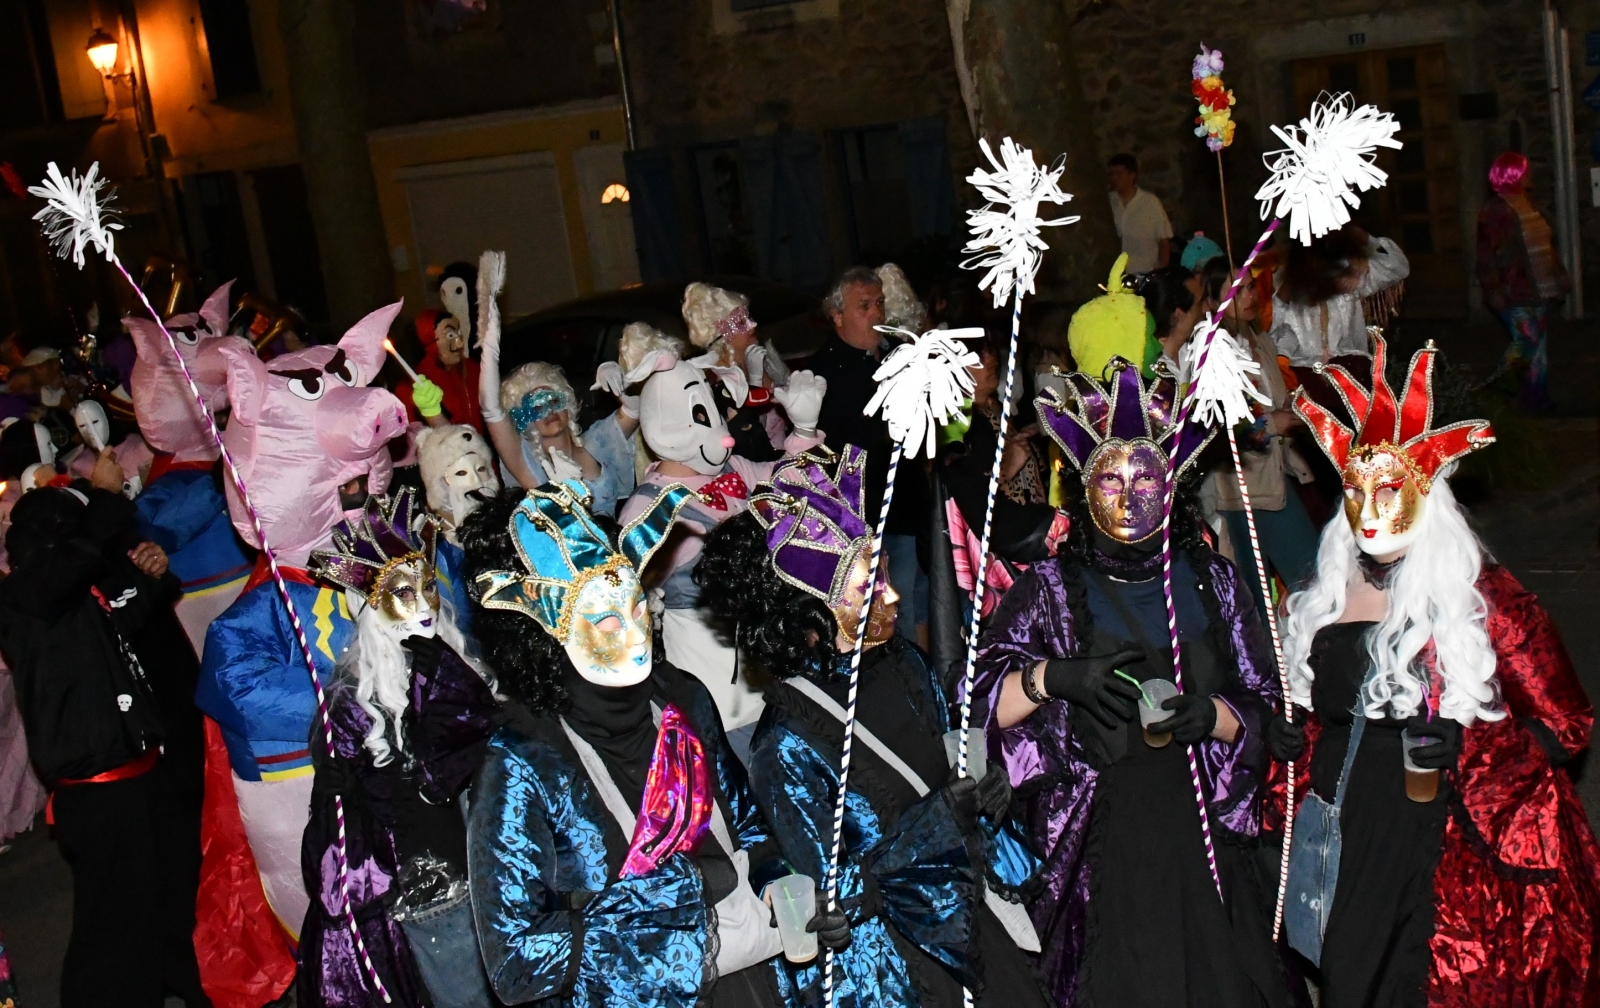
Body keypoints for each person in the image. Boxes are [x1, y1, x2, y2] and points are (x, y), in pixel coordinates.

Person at [1267, 335, 1600, 1006]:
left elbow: (1567, 723)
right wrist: (1285, 740)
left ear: (1425, 492)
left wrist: (1473, 746)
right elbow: (1306, 717)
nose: (1370, 509)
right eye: (1355, 491)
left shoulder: (1484, 598)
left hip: (1441, 837)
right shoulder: (1323, 597)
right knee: (1349, 985)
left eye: (1389, 490)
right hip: (1347, 832)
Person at [975, 360, 1289, 1007]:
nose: (1127, 496)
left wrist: (1216, 716)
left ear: (1171, 485)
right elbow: (973, 704)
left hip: (1203, 839)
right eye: (1109, 479)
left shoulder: (1212, 582)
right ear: (1084, 487)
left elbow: (1267, 702)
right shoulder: (1049, 592)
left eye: (1144, 477)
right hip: (1103, 851)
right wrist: (1054, 678)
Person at [696, 446, 1049, 1008]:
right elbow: (832, 895)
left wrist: (988, 794)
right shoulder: (785, 742)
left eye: (883, 574)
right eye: (870, 585)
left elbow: (949, 760)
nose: (894, 593)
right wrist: (936, 823)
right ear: (813, 610)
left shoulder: (904, 662)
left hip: (969, 914)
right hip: (901, 961)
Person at [460, 480, 804, 1007]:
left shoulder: (683, 695)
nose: (633, 634)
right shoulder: (522, 760)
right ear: (550, 631)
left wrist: (781, 888)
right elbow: (514, 961)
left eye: (637, 608)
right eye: (605, 621)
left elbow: (749, 826)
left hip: (751, 979)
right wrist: (669, 917)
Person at [195, 303, 410, 947]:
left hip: (392, 786)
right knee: (339, 923)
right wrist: (354, 703)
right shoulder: (268, 604)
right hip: (310, 795)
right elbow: (237, 685)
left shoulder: (387, 568)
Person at [0, 484, 209, 1008]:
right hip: (100, 790)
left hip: (140, 773)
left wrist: (151, 573)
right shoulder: (26, 596)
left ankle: (180, 982)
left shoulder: (70, 595)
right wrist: (106, 494)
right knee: (112, 924)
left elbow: (128, 616)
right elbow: (87, 547)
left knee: (166, 897)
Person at [299, 489, 500, 1008]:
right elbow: (341, 829)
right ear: (370, 608)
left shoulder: (455, 666)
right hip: (424, 885)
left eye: (427, 586)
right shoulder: (352, 704)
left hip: (487, 863)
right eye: (403, 593)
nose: (424, 603)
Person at [619, 325, 826, 761]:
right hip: (715, 692)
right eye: (701, 416)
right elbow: (625, 599)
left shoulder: (733, 470)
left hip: (774, 671)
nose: (724, 435)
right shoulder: (647, 508)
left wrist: (805, 429)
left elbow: (799, 490)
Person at [123, 284, 256, 654]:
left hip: (247, 581)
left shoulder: (229, 448)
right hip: (207, 594)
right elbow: (149, 525)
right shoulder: (173, 473)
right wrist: (218, 481)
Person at [810, 266, 930, 646]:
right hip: (865, 516)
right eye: (864, 306)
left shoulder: (895, 358)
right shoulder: (822, 373)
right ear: (837, 314)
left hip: (908, 505)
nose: (876, 313)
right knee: (890, 612)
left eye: (879, 303)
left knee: (919, 602)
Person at [1195, 257, 1319, 617]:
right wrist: (1269, 425)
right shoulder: (1210, 353)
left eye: (1250, 287)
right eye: (1237, 291)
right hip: (1242, 489)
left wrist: (1295, 409)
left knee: (1308, 584)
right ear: (1212, 302)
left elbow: (1275, 400)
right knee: (1256, 597)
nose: (1249, 296)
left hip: (1276, 476)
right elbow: (1214, 429)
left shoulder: (1258, 339)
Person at [475, 252, 636, 516]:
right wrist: (490, 346)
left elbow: (636, 409)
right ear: (523, 417)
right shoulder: (526, 463)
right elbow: (491, 409)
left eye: (553, 400)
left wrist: (624, 381)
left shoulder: (597, 443)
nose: (549, 410)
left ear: (567, 404)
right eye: (537, 407)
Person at [1475, 151, 1571, 413]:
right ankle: (1496, 393)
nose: (1530, 175)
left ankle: (1535, 400)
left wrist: (1559, 274)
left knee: (1537, 349)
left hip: (1540, 289)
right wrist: (1493, 288)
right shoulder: (1496, 211)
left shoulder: (1528, 204)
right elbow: (1486, 254)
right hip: (1514, 291)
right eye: (1525, 171)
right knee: (1526, 344)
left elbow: (1545, 246)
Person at [1267, 224, 1409, 386]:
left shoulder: (1349, 272)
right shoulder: (1276, 280)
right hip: (1299, 378)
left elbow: (1398, 267)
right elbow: (1266, 331)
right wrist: (1285, 292)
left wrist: (1361, 236)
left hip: (1350, 375)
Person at [415, 422, 499, 629]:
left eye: (482, 469)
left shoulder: (506, 526)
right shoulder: (425, 544)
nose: (477, 481)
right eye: (460, 473)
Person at [1106, 153, 1173, 274]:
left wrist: (1161, 271)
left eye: (1119, 174)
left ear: (1132, 175)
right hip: (1116, 275)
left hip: (1145, 271)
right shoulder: (1108, 202)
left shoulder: (1149, 202)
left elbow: (1163, 240)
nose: (1114, 178)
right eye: (1111, 174)